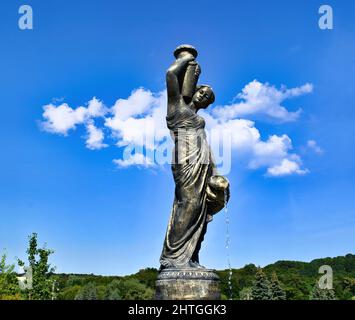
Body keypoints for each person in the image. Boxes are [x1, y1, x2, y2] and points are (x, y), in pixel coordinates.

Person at [160, 45, 229, 269]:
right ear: (196, 88)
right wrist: (187, 58)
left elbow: (206, 145)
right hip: (185, 158)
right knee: (188, 202)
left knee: (201, 206)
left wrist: (216, 172)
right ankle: (172, 259)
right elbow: (171, 74)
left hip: (201, 159)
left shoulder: (199, 120)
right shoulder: (176, 104)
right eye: (203, 91)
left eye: (207, 97)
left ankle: (190, 257)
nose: (203, 96)